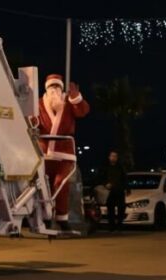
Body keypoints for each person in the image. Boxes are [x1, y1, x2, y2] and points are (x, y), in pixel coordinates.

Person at [37, 74, 90, 231]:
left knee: (60, 184)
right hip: (45, 152)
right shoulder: (39, 103)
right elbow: (31, 120)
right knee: (42, 186)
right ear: (46, 88)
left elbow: (83, 111)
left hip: (64, 153)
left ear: (61, 88)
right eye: (51, 87)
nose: (54, 90)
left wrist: (76, 97)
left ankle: (61, 217)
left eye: (57, 87)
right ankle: (45, 218)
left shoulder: (68, 102)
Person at [103, 149, 128, 231]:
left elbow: (125, 178)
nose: (114, 158)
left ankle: (120, 225)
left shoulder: (120, 167)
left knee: (121, 208)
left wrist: (127, 189)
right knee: (110, 209)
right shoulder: (105, 167)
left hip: (119, 191)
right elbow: (100, 178)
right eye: (112, 156)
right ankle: (111, 226)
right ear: (109, 157)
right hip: (109, 192)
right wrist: (106, 184)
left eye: (115, 156)